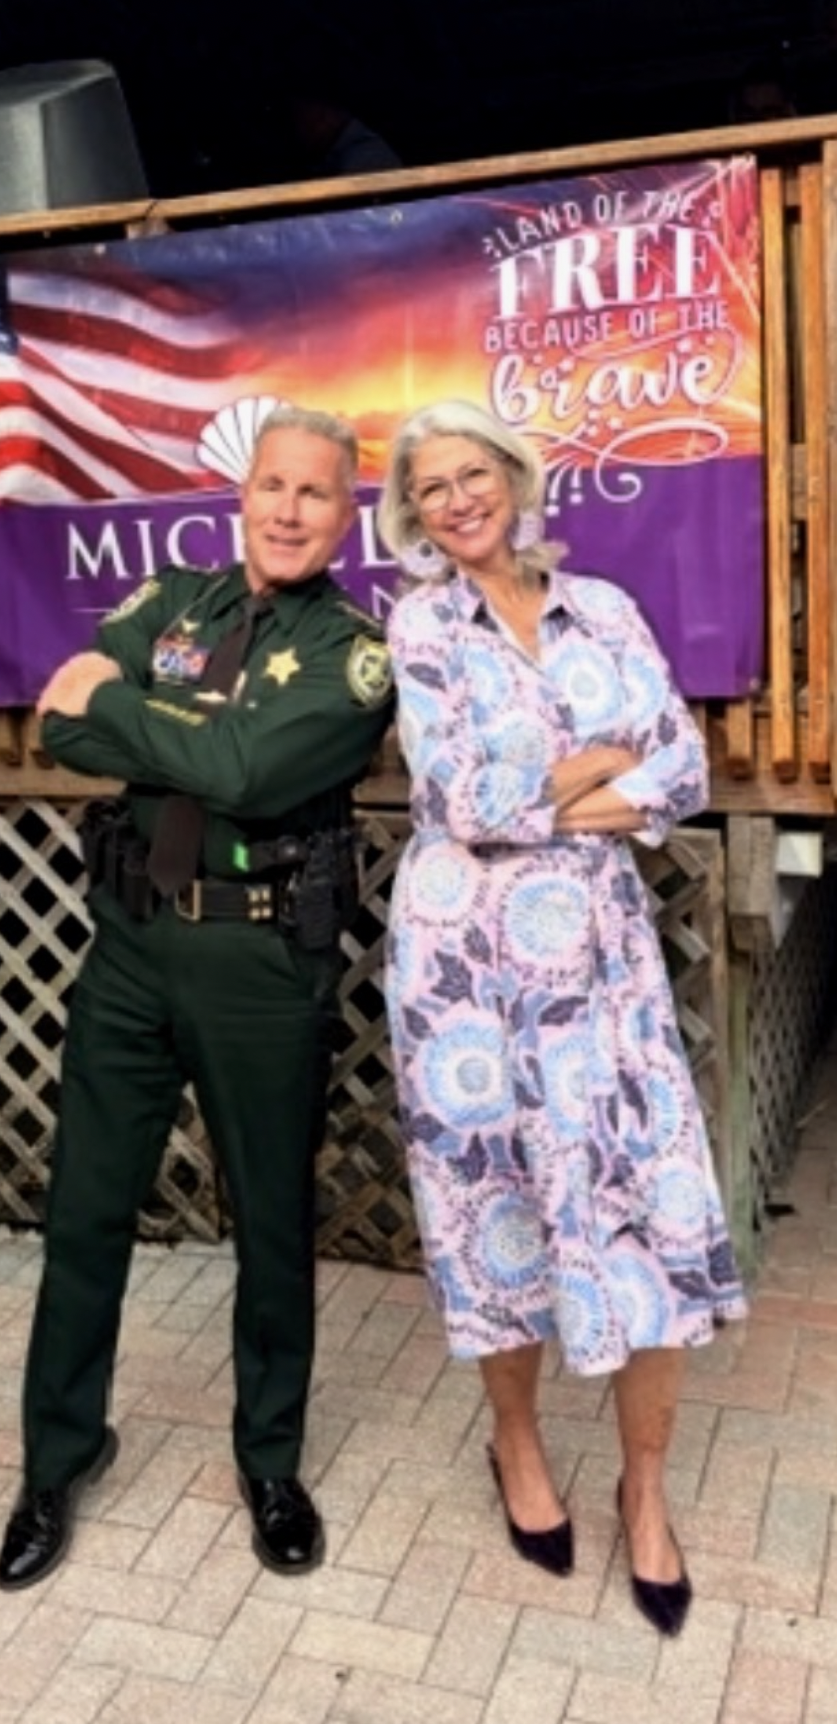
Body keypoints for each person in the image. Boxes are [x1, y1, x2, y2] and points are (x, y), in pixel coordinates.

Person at [0, 404, 395, 1590]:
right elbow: (53, 730)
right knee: (85, 1211)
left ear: (344, 511)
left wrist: (126, 714)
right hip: (128, 947)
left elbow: (251, 770)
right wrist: (185, 727)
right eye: (270, 484)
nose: (285, 508)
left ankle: (269, 1460)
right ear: (243, 491)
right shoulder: (170, 601)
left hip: (259, 965)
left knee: (269, 1222)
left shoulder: (352, 654)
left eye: (313, 492)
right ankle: (54, 1459)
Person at [376, 399, 747, 1637]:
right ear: (414, 515)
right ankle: (517, 1444)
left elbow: (683, 766)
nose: (458, 498)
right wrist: (595, 767)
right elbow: (457, 794)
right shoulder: (421, 620)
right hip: (465, 972)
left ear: (516, 479)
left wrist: (576, 783)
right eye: (431, 488)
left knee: (653, 1195)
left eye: (473, 473)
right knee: (496, 1210)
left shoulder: (609, 611)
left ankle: (647, 1490)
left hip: (604, 965)